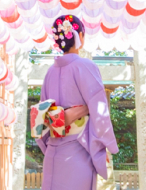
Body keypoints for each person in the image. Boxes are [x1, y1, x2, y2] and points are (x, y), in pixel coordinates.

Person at [35, 15, 118, 190]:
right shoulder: (86, 66)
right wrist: (104, 146)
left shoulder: (49, 73)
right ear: (79, 37)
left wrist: (62, 119)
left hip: (52, 154)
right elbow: (100, 112)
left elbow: (41, 118)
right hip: (78, 153)